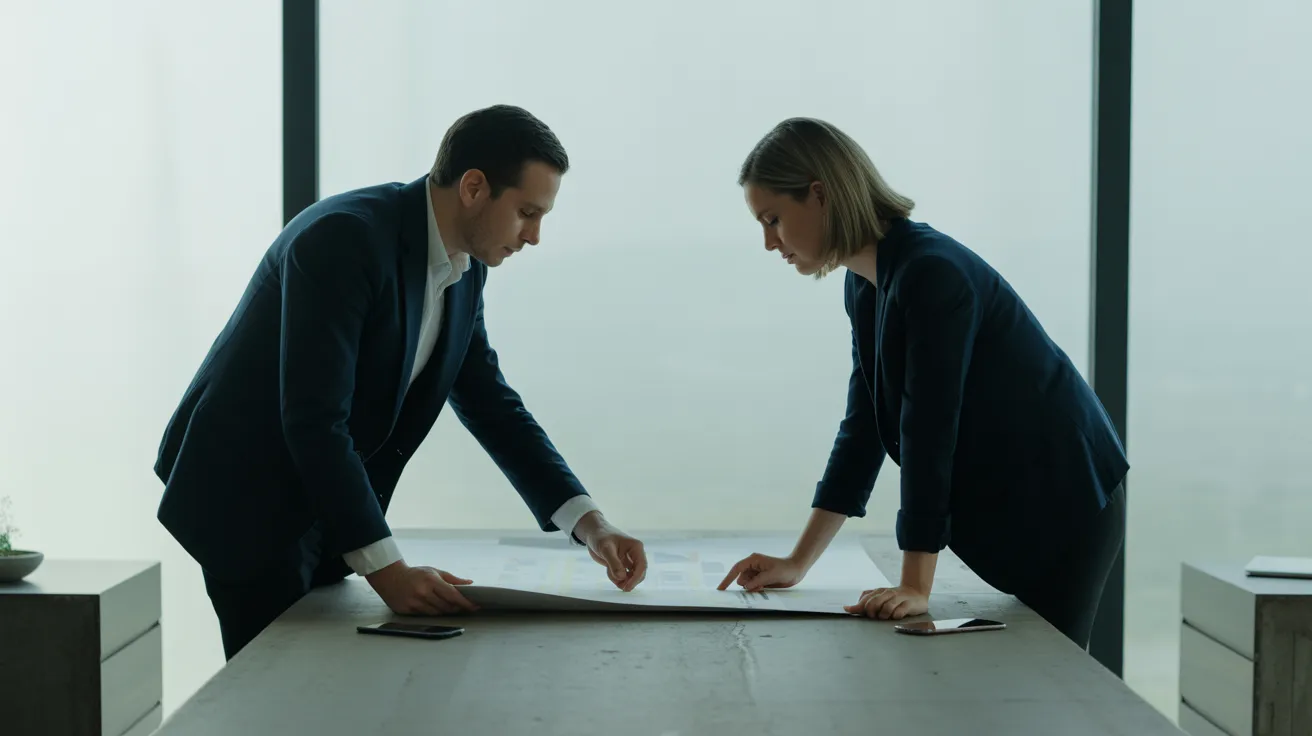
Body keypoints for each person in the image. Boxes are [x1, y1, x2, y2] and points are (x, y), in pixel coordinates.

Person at [154, 104, 648, 660]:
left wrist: (591, 524)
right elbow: (315, 419)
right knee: (276, 695)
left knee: (324, 686)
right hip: (247, 501)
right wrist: (390, 572)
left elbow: (491, 403)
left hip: (322, 500)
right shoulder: (344, 239)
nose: (533, 236)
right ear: (474, 187)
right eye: (527, 212)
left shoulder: (464, 265)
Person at [718, 117, 1128, 650]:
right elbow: (863, 428)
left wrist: (915, 584)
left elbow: (931, 429)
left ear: (818, 195)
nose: (769, 242)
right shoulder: (864, 285)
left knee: (1054, 683)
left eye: (773, 219)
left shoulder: (932, 273)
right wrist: (798, 562)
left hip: (1065, 499)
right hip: (1012, 501)